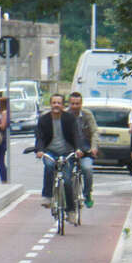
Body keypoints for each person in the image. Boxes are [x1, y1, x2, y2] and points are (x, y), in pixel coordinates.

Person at [34, 93, 88, 223]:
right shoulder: (44, 119)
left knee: (67, 181)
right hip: (50, 151)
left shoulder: (69, 119)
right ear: (50, 104)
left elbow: (76, 135)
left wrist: (78, 149)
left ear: (63, 105)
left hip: (66, 152)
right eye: (54, 103)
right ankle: (47, 196)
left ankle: (70, 211)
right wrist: (40, 150)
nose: (56, 105)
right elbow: (40, 137)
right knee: (49, 166)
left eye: (59, 103)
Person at [68, 91, 99, 208]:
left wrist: (94, 147)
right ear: (69, 104)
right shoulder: (65, 115)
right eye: (72, 104)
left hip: (86, 151)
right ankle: (66, 196)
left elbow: (94, 131)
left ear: (81, 104)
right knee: (66, 173)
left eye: (77, 104)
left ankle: (87, 194)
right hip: (69, 151)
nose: (75, 106)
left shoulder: (87, 115)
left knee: (87, 169)